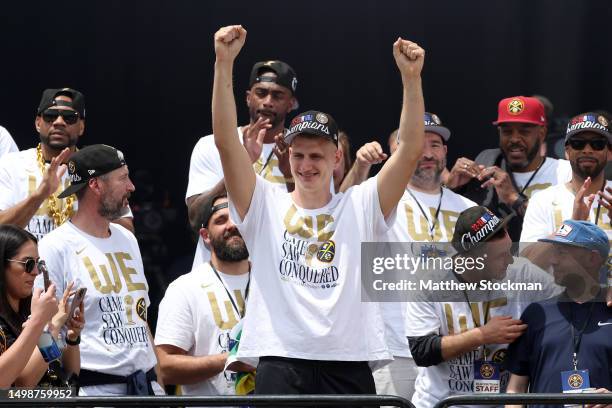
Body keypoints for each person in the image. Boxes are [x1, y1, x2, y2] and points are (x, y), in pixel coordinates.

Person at [212, 24, 425, 394]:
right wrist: (223, 62)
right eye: (298, 155)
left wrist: (411, 79)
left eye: (316, 155)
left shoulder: (360, 205)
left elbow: (408, 151)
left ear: (337, 156)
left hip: (348, 361)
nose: (306, 164)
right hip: (280, 359)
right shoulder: (263, 202)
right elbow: (226, 142)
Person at [34, 144, 162, 396]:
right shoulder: (54, 246)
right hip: (94, 391)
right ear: (95, 185)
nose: (131, 187)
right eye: (123, 178)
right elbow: (43, 330)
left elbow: (141, 317)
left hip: (147, 388)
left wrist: (160, 383)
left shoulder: (128, 239)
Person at [405, 206, 558, 408]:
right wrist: (482, 335)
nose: (510, 260)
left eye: (509, 250)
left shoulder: (521, 272)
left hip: (502, 403)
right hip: (441, 403)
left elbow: (569, 297)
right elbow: (422, 351)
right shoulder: (428, 282)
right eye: (501, 256)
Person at [371, 113, 478, 400]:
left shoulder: (470, 209)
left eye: (435, 144)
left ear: (445, 151)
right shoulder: (378, 201)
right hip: (395, 350)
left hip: (455, 348)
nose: (428, 153)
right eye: (418, 145)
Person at [185, 59, 298, 269]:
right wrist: (240, 165)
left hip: (276, 274)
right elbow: (195, 217)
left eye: (278, 95)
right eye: (261, 93)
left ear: (291, 103)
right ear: (248, 98)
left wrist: (291, 177)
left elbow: (308, 224)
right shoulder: (211, 145)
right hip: (218, 276)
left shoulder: (301, 155)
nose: (268, 101)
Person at [0, 88, 133, 241]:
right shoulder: (11, 165)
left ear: (81, 127)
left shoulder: (99, 170)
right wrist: (39, 195)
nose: (59, 122)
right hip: (26, 263)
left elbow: (127, 233)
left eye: (69, 117)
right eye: (50, 116)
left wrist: (97, 198)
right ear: (38, 123)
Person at [506, 220, 612, 408]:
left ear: (592, 258)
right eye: (554, 251)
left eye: (562, 252)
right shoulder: (536, 313)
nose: (553, 260)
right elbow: (515, 390)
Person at [155, 193, 250, 396]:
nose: (232, 225)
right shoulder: (185, 289)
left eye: (237, 217)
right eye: (221, 220)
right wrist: (229, 360)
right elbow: (164, 366)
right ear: (206, 236)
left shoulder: (275, 282)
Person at [447, 96, 572, 241]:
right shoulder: (488, 164)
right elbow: (460, 230)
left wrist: (513, 198)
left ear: (542, 133)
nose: (514, 139)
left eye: (524, 132)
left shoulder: (564, 172)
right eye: (507, 132)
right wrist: (452, 189)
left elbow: (567, 230)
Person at [520, 112, 612, 299]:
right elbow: (526, 268)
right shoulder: (542, 200)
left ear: (609, 152)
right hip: (558, 309)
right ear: (567, 151)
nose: (587, 150)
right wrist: (571, 226)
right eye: (578, 143)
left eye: (597, 144)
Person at [0, 224, 82, 387]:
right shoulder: (34, 317)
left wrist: (72, 338)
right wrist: (48, 325)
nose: (36, 272)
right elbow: (22, 384)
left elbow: (67, 373)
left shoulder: (28, 313)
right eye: (28, 263)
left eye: (39, 263)